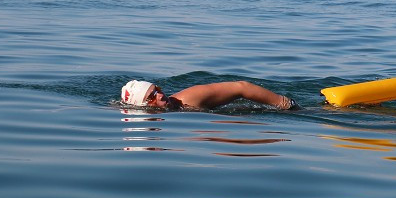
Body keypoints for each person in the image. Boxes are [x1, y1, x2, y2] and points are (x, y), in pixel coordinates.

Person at [120, 79, 298, 111]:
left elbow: (242, 87)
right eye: (152, 97)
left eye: (157, 89)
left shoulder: (188, 98)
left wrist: (286, 105)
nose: (160, 95)